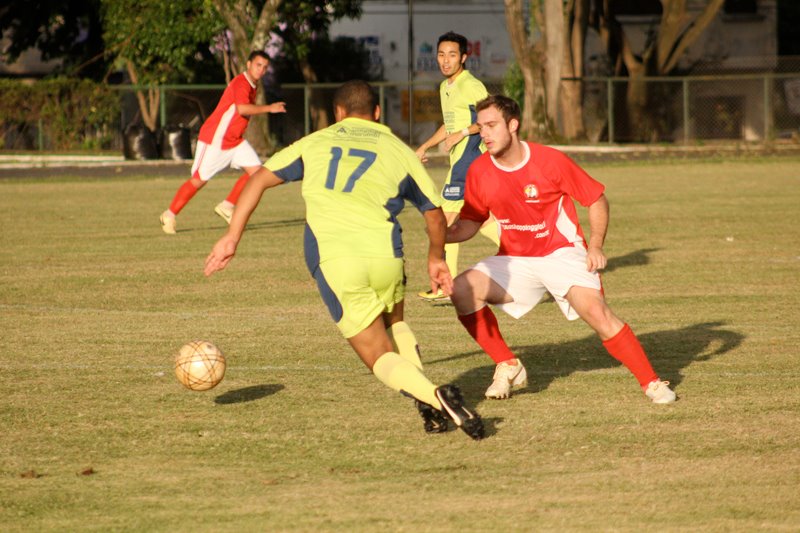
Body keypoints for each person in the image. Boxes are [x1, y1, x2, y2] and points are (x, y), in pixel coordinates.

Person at [204, 80, 485, 440]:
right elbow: (433, 213)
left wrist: (232, 237)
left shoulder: (317, 141)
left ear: (338, 113)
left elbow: (258, 179)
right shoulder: (397, 148)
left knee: (378, 355)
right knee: (394, 322)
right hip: (387, 256)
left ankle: (435, 396)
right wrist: (436, 258)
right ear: (378, 113)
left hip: (338, 260)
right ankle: (429, 407)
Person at [446, 94, 677, 404]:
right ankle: (508, 363)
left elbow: (596, 198)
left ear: (513, 125)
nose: (484, 134)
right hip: (515, 259)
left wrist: (595, 246)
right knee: (461, 289)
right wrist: (440, 234)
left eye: (491, 126)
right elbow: (471, 223)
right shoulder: (479, 170)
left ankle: (651, 382)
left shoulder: (549, 161)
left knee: (597, 313)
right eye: (481, 127)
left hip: (561, 252)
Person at [160, 50, 286, 234]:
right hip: (216, 139)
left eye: (265, 67)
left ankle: (227, 206)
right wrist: (270, 108)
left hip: (235, 141)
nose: (261, 70)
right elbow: (242, 109)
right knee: (199, 181)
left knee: (257, 174)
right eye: (258, 65)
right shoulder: (241, 83)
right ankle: (169, 215)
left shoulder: (253, 85)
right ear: (249, 64)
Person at [415, 31, 500, 301]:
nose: (445, 60)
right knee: (483, 220)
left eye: (452, 55)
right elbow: (449, 126)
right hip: (462, 163)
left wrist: (462, 134)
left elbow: (489, 118)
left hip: (470, 162)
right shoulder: (445, 87)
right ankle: (532, 255)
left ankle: (443, 285)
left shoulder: (470, 85)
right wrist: (425, 145)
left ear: (463, 57)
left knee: (443, 223)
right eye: (441, 55)